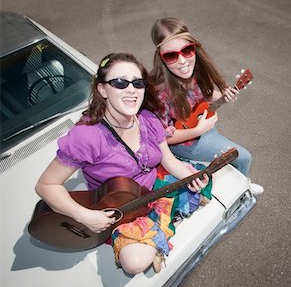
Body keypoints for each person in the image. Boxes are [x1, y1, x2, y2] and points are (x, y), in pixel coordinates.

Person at [34, 53, 210, 275]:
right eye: (119, 83)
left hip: (151, 191)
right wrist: (85, 216)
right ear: (102, 89)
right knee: (134, 263)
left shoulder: (148, 119)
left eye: (138, 83)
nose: (131, 90)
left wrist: (187, 177)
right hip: (120, 205)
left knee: (202, 178)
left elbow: (169, 160)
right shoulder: (87, 136)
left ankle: (162, 221)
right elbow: (46, 185)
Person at [148, 17, 263, 195]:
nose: (182, 61)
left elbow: (206, 94)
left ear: (194, 47)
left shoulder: (196, 70)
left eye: (187, 50)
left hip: (200, 123)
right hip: (185, 141)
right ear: (161, 59)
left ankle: (241, 184)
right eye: (171, 55)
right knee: (243, 156)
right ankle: (243, 191)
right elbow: (163, 138)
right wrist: (198, 131)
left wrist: (225, 95)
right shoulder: (159, 92)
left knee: (232, 156)